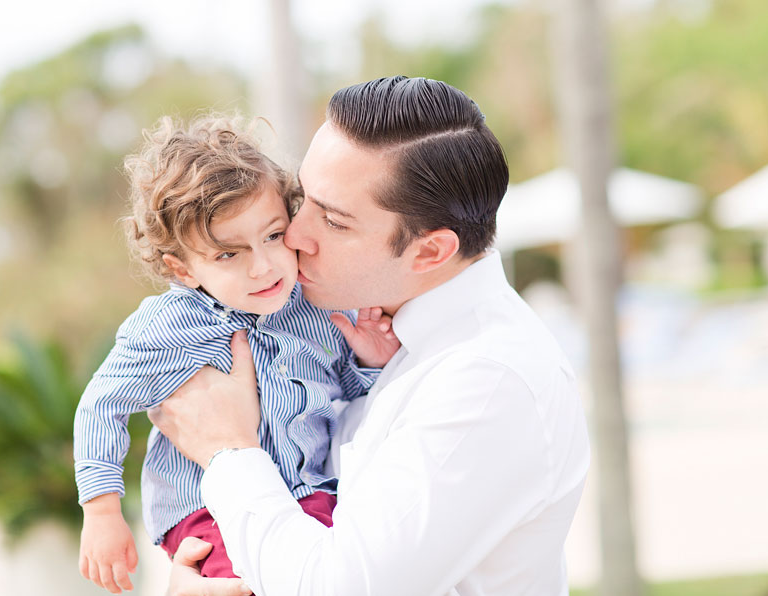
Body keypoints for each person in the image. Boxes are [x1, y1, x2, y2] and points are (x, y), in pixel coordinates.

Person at [150, 76, 591, 596]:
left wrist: (226, 450)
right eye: (302, 199)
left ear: (430, 251)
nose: (293, 235)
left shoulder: (490, 379)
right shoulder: (369, 338)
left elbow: (339, 585)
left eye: (333, 221)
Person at [72, 114, 400, 594]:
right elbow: (102, 405)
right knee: (247, 582)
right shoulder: (167, 326)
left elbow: (342, 396)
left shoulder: (316, 308)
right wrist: (101, 511)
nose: (263, 266)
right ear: (181, 268)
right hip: (208, 512)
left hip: (309, 496)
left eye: (272, 236)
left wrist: (370, 362)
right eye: (229, 254)